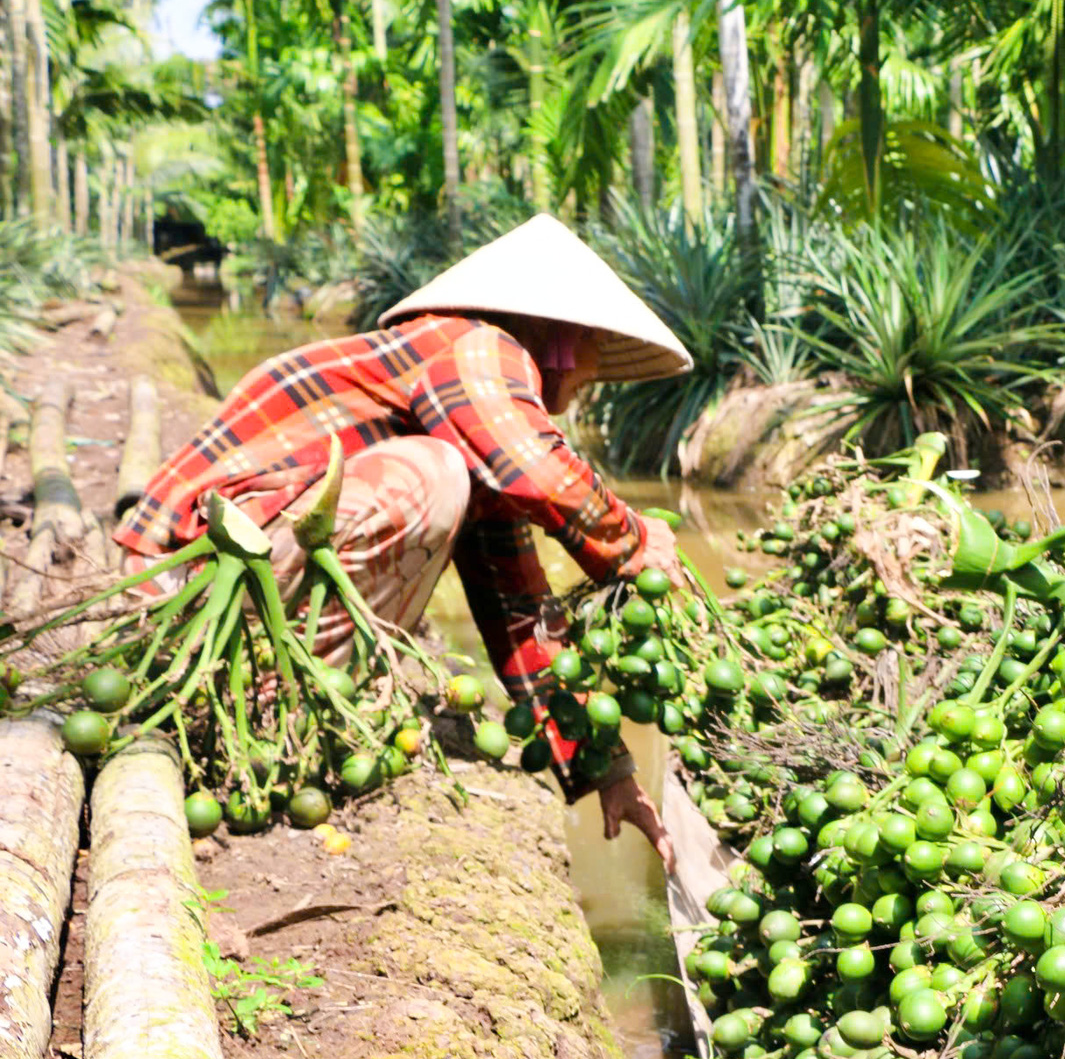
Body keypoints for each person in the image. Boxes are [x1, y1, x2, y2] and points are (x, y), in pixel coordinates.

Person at [114, 215, 688, 868]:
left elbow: (518, 608)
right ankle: (275, 705)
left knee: (450, 475)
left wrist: (605, 766)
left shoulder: (474, 420)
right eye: (595, 352)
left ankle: (296, 692)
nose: (590, 376)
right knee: (430, 473)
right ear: (565, 337)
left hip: (236, 580)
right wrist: (635, 538)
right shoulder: (477, 349)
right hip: (189, 584)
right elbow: (538, 472)